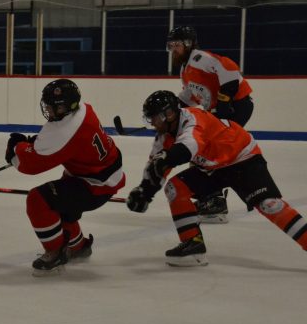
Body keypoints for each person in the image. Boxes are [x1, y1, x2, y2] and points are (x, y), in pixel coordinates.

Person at [126, 90, 307, 266]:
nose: (153, 123)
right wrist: (145, 192)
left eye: (155, 118)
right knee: (175, 188)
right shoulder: (164, 136)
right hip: (214, 167)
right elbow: (157, 167)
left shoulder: (193, 120)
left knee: (269, 204)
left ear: (170, 114)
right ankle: (193, 245)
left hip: (242, 157)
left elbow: (187, 148)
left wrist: (166, 158)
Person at [5, 79, 125, 275]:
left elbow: (30, 165)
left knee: (38, 200)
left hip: (94, 185)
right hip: (100, 175)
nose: (48, 110)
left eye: (52, 106)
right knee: (62, 204)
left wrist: (15, 150)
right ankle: (78, 247)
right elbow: (54, 143)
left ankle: (55, 252)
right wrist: (33, 144)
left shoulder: (65, 130)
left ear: (65, 107)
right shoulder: (84, 109)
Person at [166, 26, 255, 223]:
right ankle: (212, 199)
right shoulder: (185, 68)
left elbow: (230, 70)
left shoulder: (200, 58)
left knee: (203, 150)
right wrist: (169, 112)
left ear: (188, 44)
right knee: (203, 151)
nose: (173, 49)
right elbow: (190, 97)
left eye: (176, 45)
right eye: (170, 45)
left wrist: (224, 103)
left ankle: (215, 200)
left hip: (237, 107)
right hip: (220, 112)